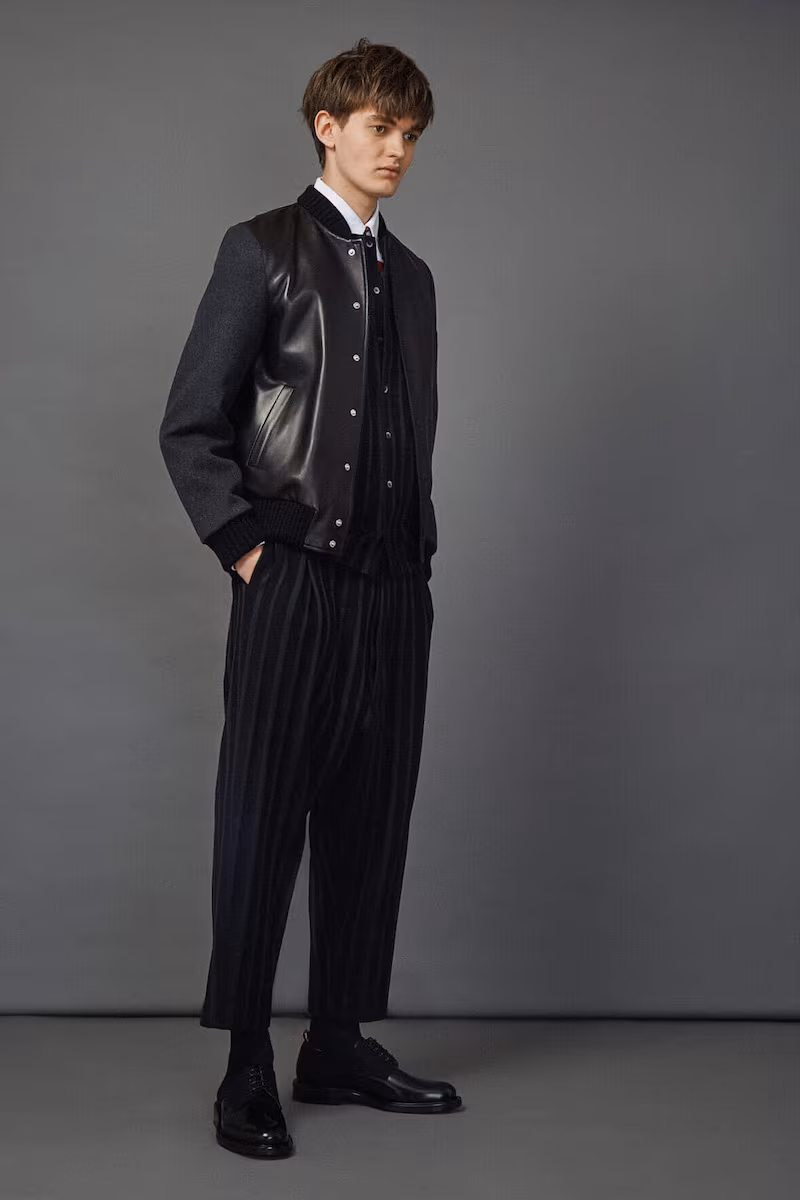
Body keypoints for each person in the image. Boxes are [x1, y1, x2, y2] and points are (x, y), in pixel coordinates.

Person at [159, 36, 461, 1159]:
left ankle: (336, 1041)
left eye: (411, 134)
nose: (398, 150)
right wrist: (246, 546)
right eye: (381, 127)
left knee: (371, 818)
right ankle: (246, 1061)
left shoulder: (414, 278)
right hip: (292, 580)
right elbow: (191, 423)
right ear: (328, 127)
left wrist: (414, 557)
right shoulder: (261, 250)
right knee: (261, 815)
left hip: (394, 592)